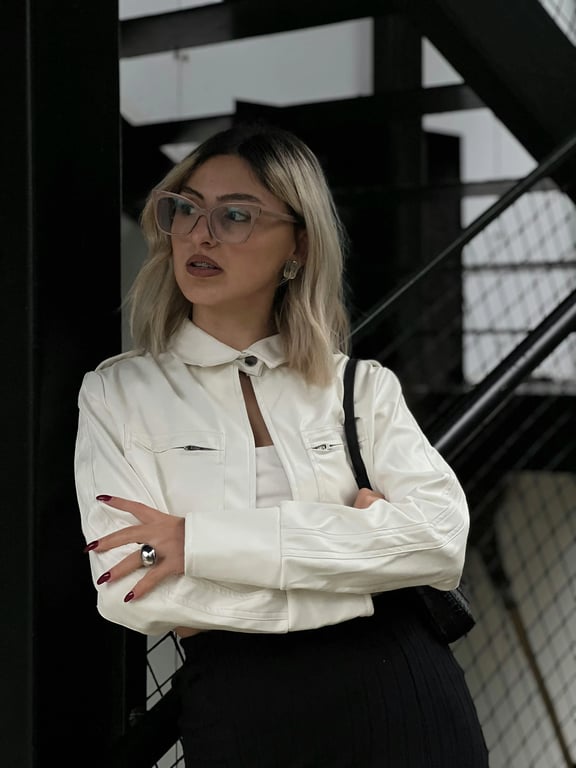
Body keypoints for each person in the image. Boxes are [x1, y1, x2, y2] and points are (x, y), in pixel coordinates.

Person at [75, 121, 489, 767]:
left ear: (297, 245)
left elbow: (439, 539)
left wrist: (200, 544)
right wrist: (363, 569)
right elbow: (130, 587)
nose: (200, 233)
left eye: (236, 214)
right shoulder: (118, 394)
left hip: (404, 696)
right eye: (185, 208)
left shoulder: (361, 387)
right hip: (247, 712)